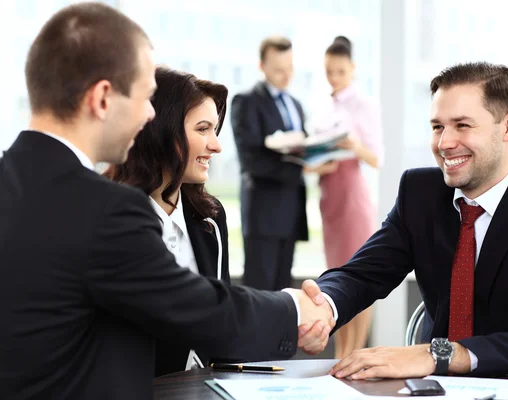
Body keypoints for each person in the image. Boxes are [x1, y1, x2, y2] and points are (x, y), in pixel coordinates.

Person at [0, 4, 332, 399]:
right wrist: (294, 308)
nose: (149, 117)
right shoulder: (106, 209)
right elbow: (199, 309)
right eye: (145, 98)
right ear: (103, 98)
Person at [299, 61, 508, 380]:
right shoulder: (420, 194)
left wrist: (438, 354)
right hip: (435, 389)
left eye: (462, 126)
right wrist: (323, 309)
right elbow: (363, 274)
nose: (444, 143)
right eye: (438, 127)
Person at [104, 66, 233, 376]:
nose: (216, 145)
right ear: (162, 130)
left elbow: (224, 319)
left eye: (214, 130)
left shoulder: (211, 217)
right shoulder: (109, 215)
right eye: (202, 129)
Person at [306, 36, 383, 359]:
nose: (334, 77)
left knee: (359, 278)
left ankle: (354, 353)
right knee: (336, 279)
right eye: (328, 71)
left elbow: (377, 157)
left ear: (352, 69)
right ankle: (341, 355)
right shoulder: (325, 105)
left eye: (339, 71)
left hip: (353, 199)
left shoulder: (362, 104)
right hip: (330, 198)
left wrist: (353, 146)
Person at [230, 36, 308, 291]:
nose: (286, 75)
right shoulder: (247, 101)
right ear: (262, 66)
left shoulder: (295, 104)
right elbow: (251, 160)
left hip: (291, 211)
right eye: (278, 69)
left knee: (284, 290)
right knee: (260, 291)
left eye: (290, 68)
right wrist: (300, 167)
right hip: (264, 213)